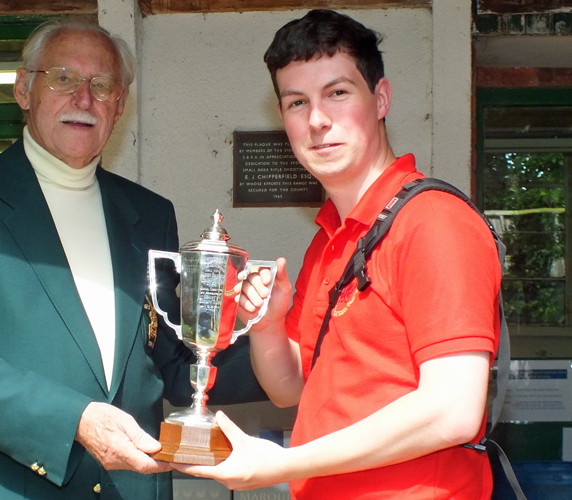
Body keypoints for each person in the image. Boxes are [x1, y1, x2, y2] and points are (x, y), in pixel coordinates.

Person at [0, 18, 265, 500]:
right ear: (24, 90)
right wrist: (76, 420)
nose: (83, 98)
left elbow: (175, 364)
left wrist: (281, 348)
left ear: (120, 106)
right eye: (63, 78)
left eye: (102, 85)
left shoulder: (151, 214)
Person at [175, 9, 501, 499]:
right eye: (297, 102)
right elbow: (292, 389)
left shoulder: (432, 221)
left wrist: (284, 463)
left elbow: (453, 408)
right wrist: (268, 323)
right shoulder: (329, 238)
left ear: (381, 98)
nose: (318, 120)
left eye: (338, 93)